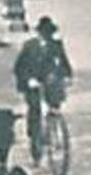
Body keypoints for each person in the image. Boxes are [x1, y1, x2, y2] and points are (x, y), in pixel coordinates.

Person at [13, 15, 73, 162]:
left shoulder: (56, 45)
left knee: (54, 103)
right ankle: (35, 142)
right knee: (34, 110)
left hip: (49, 83)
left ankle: (55, 129)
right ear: (39, 33)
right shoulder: (29, 46)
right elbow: (19, 67)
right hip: (33, 83)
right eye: (44, 33)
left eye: (49, 34)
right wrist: (28, 80)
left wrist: (67, 76)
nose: (46, 37)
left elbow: (64, 62)